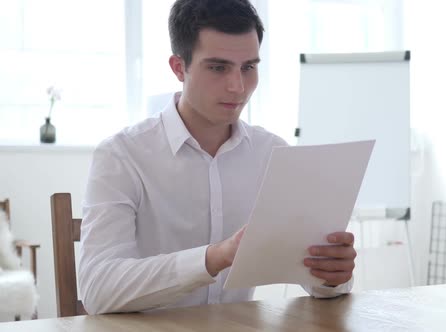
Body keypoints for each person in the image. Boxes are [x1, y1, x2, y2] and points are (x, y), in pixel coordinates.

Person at [79, 0, 356, 315]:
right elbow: (98, 291)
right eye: (218, 67)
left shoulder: (273, 154)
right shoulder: (121, 156)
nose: (238, 87)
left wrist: (332, 276)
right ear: (178, 67)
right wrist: (214, 257)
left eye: (248, 67)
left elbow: (316, 280)